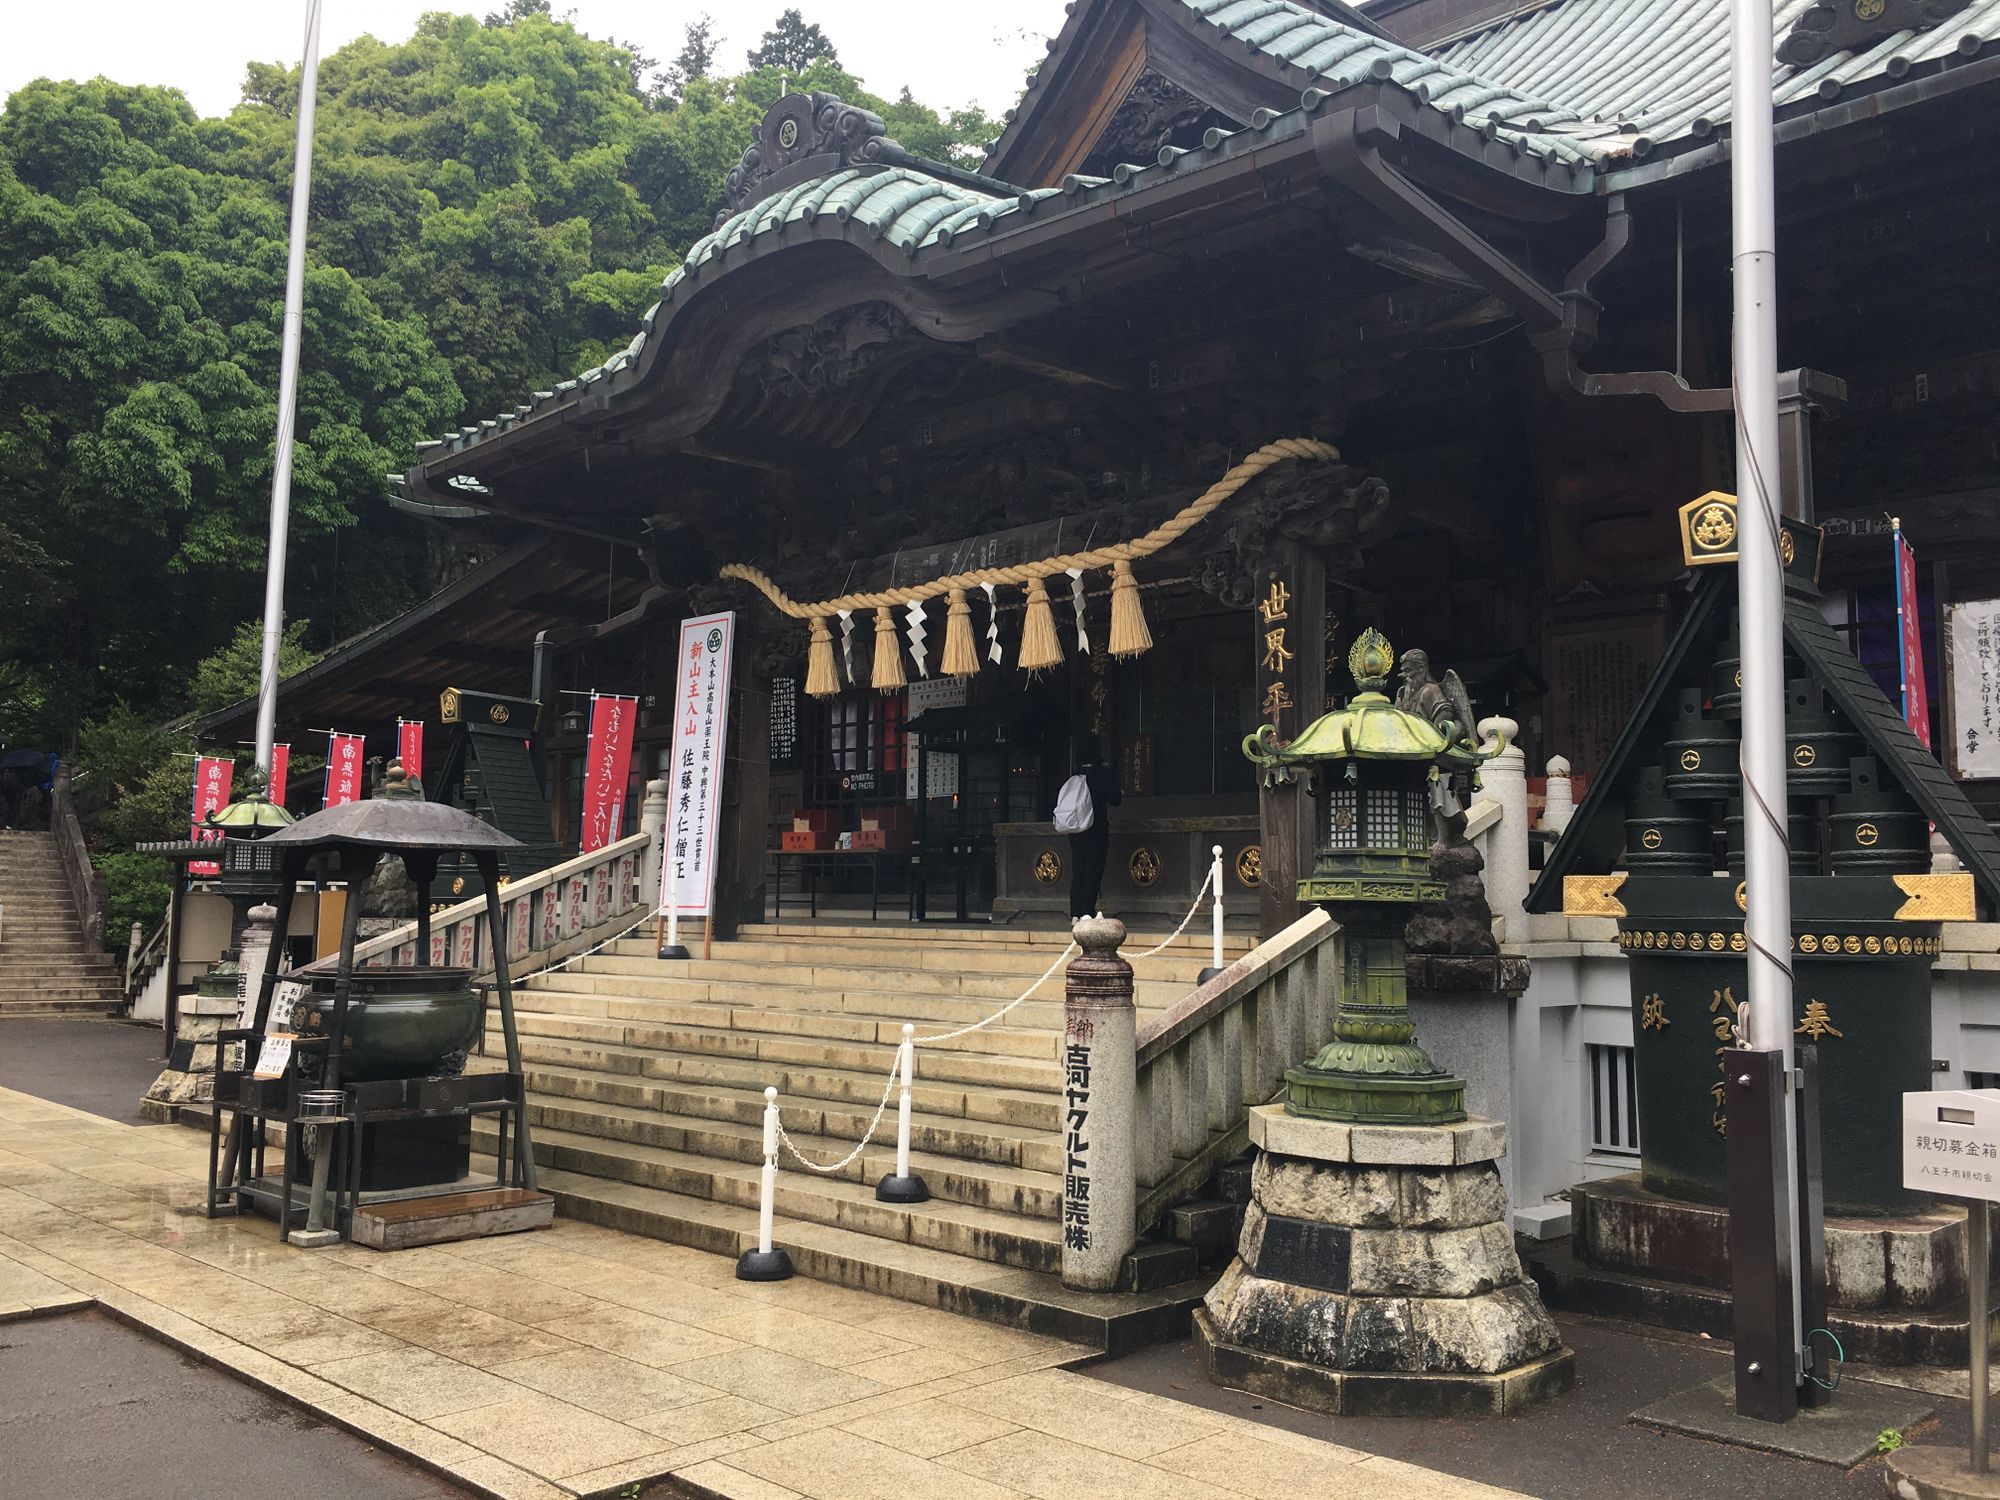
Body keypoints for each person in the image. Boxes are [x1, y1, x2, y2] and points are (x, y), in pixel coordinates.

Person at [1065, 733, 1121, 924]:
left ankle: (1075, 913)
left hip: (1075, 830)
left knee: (1078, 870)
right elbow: (1116, 800)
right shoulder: (1103, 774)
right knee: (1093, 869)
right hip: (1096, 829)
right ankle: (1087, 911)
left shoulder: (1074, 774)